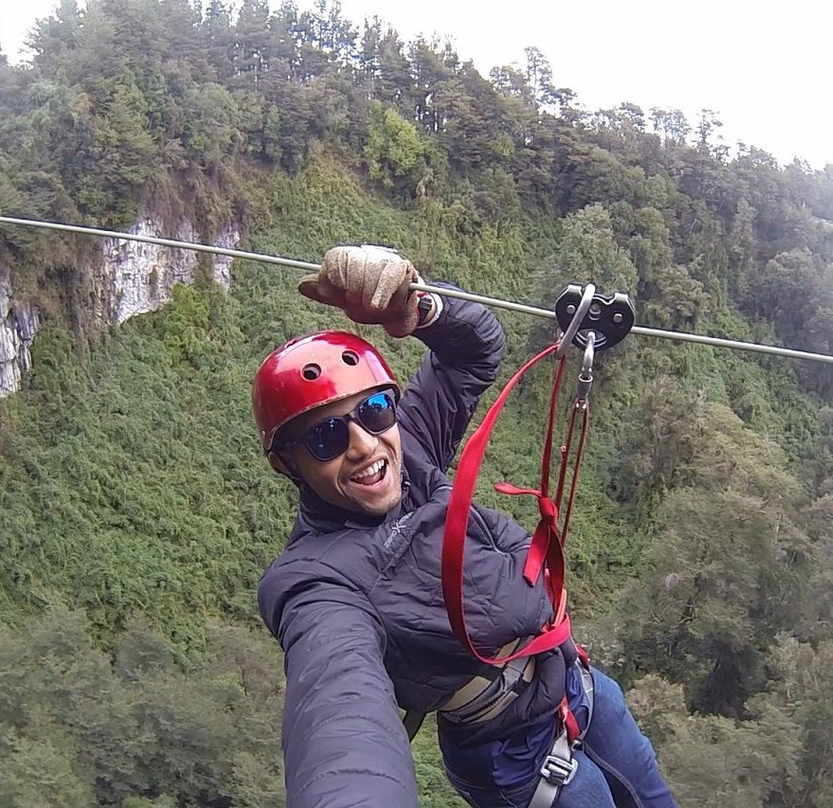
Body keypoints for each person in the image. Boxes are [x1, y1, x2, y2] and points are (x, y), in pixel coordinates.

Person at [254, 245, 676, 808]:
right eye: (326, 438)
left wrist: (421, 307)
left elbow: (475, 352)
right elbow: (340, 717)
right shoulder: (315, 583)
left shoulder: (412, 449)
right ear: (288, 465)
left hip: (578, 683)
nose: (364, 445)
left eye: (375, 409)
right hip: (512, 752)